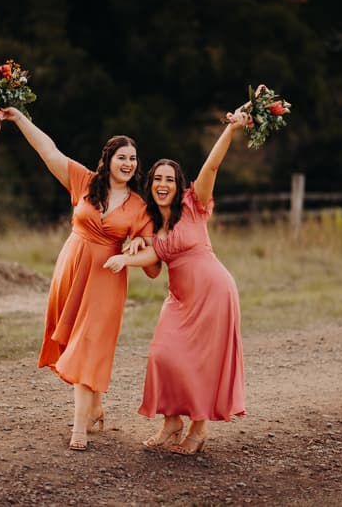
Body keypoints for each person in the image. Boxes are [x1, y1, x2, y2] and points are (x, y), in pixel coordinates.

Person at [0, 107, 156, 451]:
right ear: (109, 159)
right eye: (122, 157)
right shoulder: (83, 182)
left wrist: (139, 242)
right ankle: (95, 406)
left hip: (106, 281)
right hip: (71, 268)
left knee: (89, 344)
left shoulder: (140, 206)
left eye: (134, 159)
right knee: (75, 341)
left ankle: (79, 426)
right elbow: (48, 150)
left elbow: (151, 253)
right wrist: (20, 118)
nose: (129, 163)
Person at [103, 106, 249, 455]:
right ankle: (172, 422)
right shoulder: (152, 223)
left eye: (170, 179)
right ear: (150, 184)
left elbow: (211, 165)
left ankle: (197, 431)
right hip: (180, 298)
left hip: (214, 291)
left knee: (204, 362)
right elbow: (153, 257)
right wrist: (130, 251)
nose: (164, 184)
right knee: (163, 355)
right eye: (158, 179)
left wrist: (230, 130)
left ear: (178, 184)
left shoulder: (193, 203)